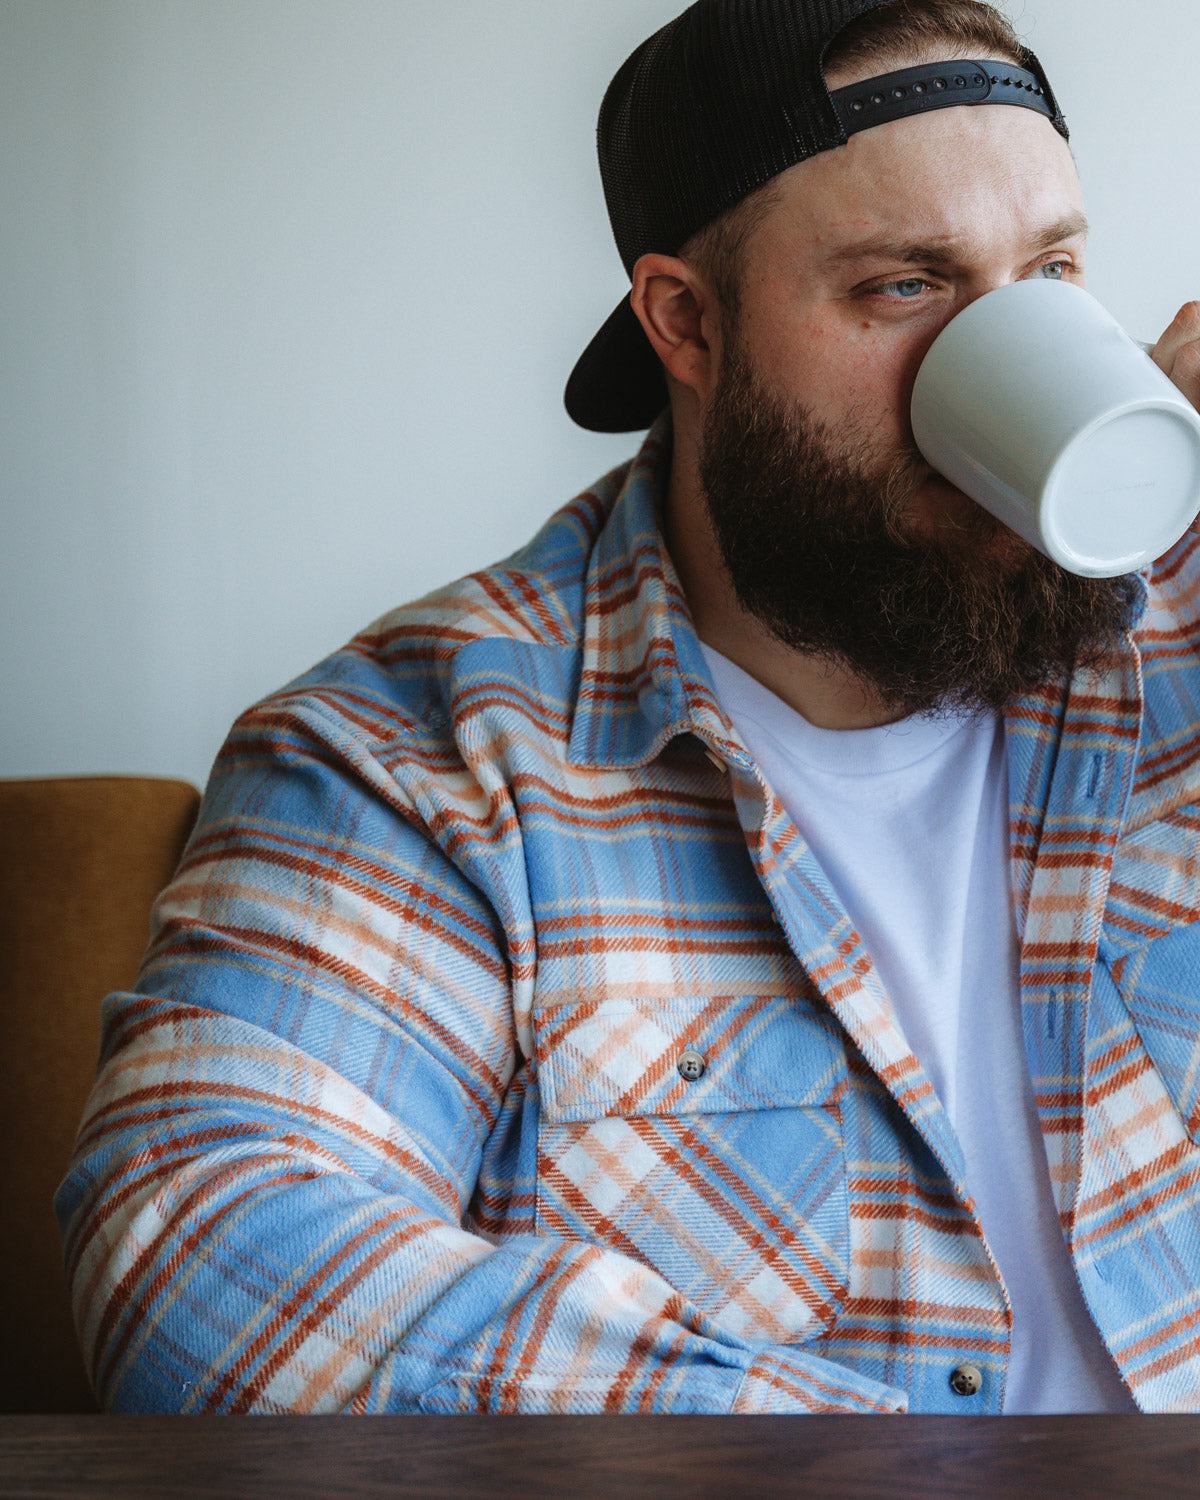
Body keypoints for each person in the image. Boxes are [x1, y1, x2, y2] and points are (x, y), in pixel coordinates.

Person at [58, 0, 1200, 1416]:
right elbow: (200, 1250)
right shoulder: (423, 753)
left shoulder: (1170, 634)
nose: (1002, 343)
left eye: (1051, 269)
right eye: (905, 286)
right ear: (686, 322)